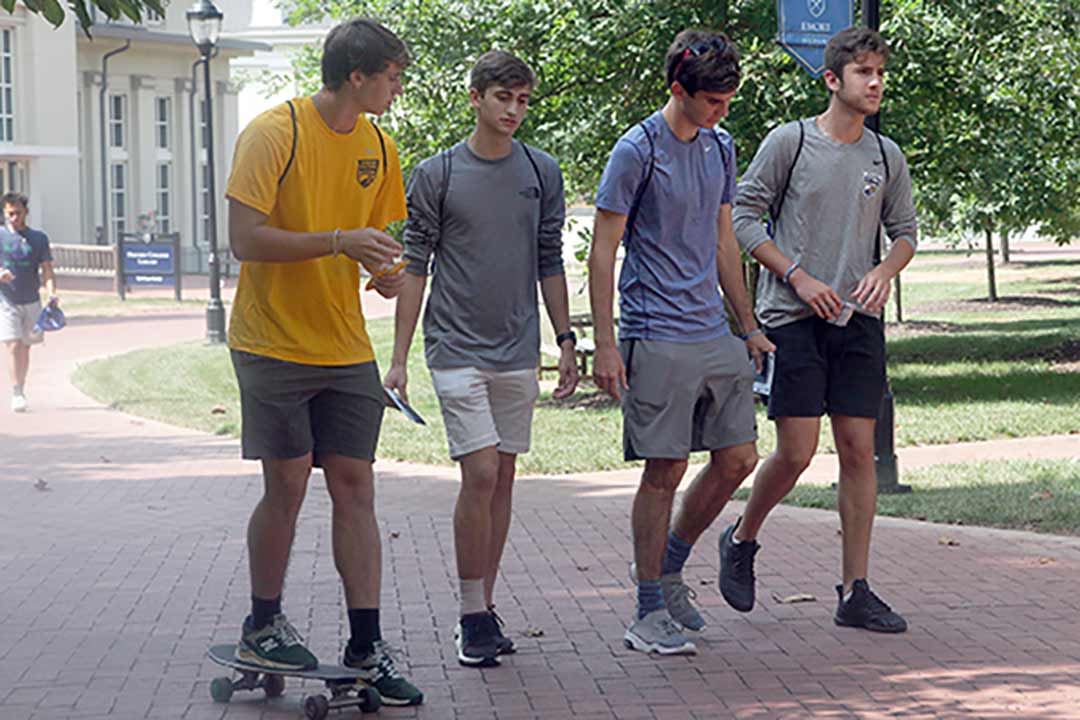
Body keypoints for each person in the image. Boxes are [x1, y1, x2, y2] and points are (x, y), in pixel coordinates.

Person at [223, 18, 422, 705]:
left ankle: (366, 643)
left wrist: (384, 274)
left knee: (355, 485)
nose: (398, 88)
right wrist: (338, 240)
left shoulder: (379, 145)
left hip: (343, 347)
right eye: (392, 76)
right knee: (286, 487)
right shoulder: (274, 133)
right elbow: (244, 241)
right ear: (357, 77)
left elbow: (376, 241)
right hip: (270, 339)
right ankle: (262, 623)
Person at [384, 50, 578, 668]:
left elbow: (551, 259)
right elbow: (416, 266)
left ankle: (484, 608)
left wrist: (566, 341)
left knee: (505, 478)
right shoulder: (437, 173)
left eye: (523, 100)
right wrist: (398, 359)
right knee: (482, 474)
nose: (514, 110)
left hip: (518, 348)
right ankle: (470, 612)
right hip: (455, 348)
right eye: (503, 98)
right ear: (476, 98)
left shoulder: (542, 171)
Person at [728, 27, 918, 633]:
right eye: (864, 73)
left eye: (881, 73)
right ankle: (743, 535)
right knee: (796, 452)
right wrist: (799, 277)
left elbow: (906, 231)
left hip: (858, 322)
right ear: (833, 79)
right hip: (793, 320)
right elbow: (745, 217)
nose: (876, 83)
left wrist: (886, 270)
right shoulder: (792, 142)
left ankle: (854, 590)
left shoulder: (886, 156)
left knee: (859, 451)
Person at [589, 29, 773, 656]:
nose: (722, 112)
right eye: (713, 102)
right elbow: (603, 249)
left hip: (711, 330)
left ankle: (670, 569)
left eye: (728, 101)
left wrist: (746, 322)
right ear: (678, 90)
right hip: (654, 330)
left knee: (739, 459)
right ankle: (646, 610)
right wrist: (606, 344)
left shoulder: (720, 146)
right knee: (665, 467)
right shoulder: (637, 150)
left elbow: (725, 239)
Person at [0, 192, 56, 413]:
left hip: (31, 299)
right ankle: (16, 392)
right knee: (12, 344)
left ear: (26, 213)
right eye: (9, 213)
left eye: (17, 213)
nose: (13, 218)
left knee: (25, 346)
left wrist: (52, 293)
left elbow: (47, 270)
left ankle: (21, 386)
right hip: (6, 299)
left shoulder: (38, 238)